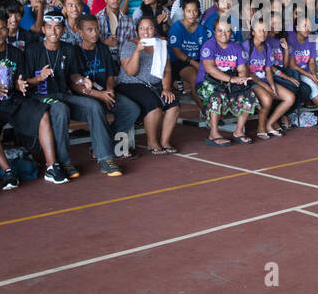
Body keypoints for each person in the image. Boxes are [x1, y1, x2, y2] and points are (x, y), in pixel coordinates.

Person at [0, 11, 64, 189]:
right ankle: (8, 171)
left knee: (42, 114)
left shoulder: (16, 53)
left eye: (2, 29)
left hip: (13, 101)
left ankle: (51, 167)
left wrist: (20, 84)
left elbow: (21, 79)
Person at [68, 14, 136, 174]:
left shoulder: (103, 48)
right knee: (96, 107)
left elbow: (111, 75)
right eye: (90, 30)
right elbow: (75, 84)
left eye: (97, 29)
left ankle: (105, 142)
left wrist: (109, 90)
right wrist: (99, 95)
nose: (95, 33)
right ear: (80, 32)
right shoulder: (73, 51)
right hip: (84, 97)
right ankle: (104, 158)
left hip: (104, 92)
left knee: (131, 109)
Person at [24, 11, 81, 181]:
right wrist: (39, 78)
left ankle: (105, 157)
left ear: (63, 30)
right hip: (38, 97)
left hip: (62, 94)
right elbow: (25, 82)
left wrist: (82, 81)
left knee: (94, 106)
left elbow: (74, 77)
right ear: (43, 29)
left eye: (57, 27)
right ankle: (63, 162)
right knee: (61, 109)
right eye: (49, 27)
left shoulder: (69, 49)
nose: (53, 32)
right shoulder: (32, 50)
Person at [118, 16, 181, 155]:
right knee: (153, 105)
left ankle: (165, 141)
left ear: (155, 29)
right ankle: (152, 142)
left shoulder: (160, 45)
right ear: (137, 30)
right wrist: (137, 51)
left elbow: (167, 69)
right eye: (142, 28)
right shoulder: (129, 45)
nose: (146, 31)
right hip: (131, 84)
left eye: (150, 28)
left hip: (155, 85)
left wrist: (166, 88)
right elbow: (130, 71)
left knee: (173, 104)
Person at [196, 18, 257, 146]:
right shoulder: (209, 45)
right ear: (214, 32)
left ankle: (238, 132)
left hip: (229, 82)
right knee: (217, 96)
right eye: (220, 30)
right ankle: (213, 134)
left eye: (227, 30)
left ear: (231, 32)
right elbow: (210, 69)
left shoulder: (236, 47)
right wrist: (232, 79)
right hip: (207, 82)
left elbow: (242, 68)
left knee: (249, 95)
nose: (223, 34)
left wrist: (241, 78)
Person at [244, 19, 295, 140]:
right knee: (267, 99)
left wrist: (271, 85)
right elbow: (246, 71)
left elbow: (267, 70)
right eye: (259, 30)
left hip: (265, 80)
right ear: (252, 32)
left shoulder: (266, 46)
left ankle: (269, 123)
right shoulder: (246, 46)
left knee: (289, 98)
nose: (263, 33)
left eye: (265, 30)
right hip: (250, 81)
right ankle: (260, 128)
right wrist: (265, 86)